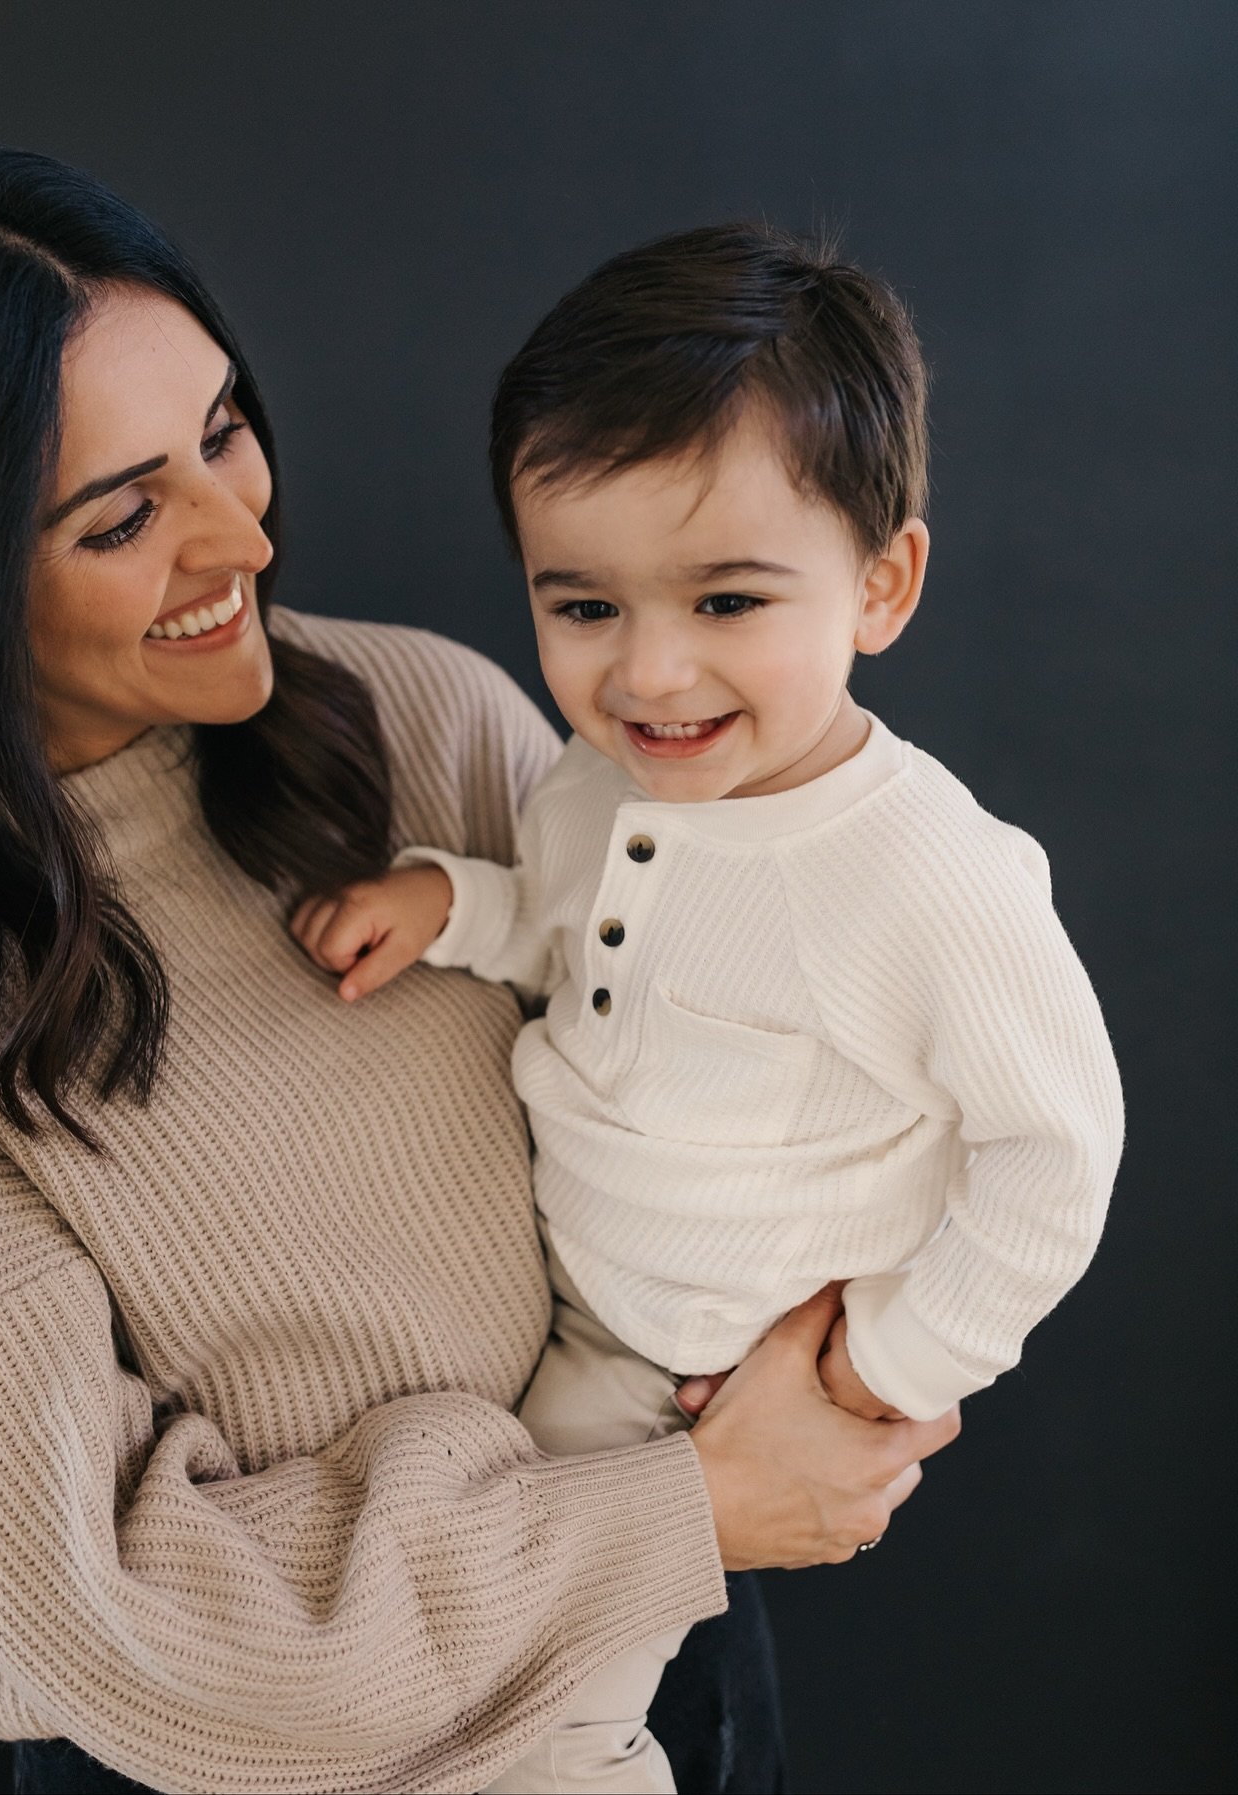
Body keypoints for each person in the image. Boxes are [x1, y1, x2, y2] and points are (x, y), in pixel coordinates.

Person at [0, 145, 958, 1795]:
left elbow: (735, 1099)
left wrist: (862, 1350)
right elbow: (136, 1629)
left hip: (661, 1653)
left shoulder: (424, 721)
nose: (242, 534)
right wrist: (679, 1509)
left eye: (219, 433)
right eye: (126, 514)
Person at [293, 223, 1126, 1794]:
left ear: (884, 584)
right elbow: (562, 925)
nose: (652, 674)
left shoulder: (926, 876)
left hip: (713, 1374)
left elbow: (1056, 1156)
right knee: (458, 1651)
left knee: (559, 1716)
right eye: (585, 607)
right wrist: (449, 902)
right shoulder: (598, 783)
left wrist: (888, 1364)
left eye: (730, 602)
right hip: (582, 1314)